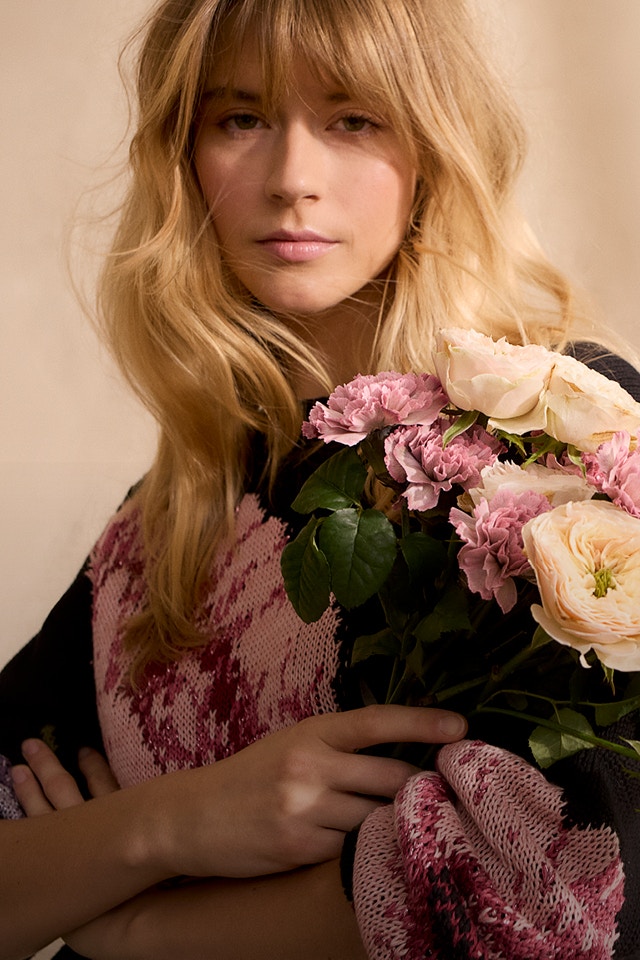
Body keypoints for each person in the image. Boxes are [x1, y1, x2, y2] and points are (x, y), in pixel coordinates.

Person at [1, 0, 639, 957]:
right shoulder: (178, 509)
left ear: (435, 146)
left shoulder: (568, 441)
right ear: (184, 158)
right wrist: (169, 825)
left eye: (354, 119)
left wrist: (131, 922)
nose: (292, 179)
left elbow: (546, 899)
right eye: (241, 117)